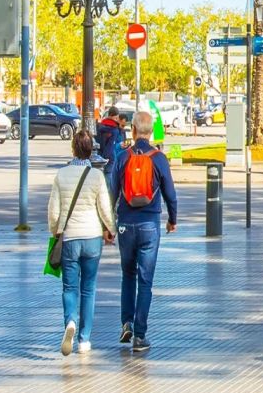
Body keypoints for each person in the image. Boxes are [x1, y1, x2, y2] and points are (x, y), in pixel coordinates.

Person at [112, 112, 178, 352]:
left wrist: (109, 225)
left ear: (132, 129)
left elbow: (112, 193)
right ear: (150, 132)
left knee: (127, 275)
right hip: (149, 225)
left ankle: (126, 323)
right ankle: (140, 336)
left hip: (125, 224)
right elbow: (170, 194)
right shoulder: (159, 158)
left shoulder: (122, 157)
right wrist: (172, 219)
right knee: (145, 280)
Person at [47, 133, 116, 355]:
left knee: (69, 287)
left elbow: (54, 211)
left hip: (69, 238)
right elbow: (105, 207)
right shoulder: (97, 176)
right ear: (90, 150)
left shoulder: (61, 174)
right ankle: (84, 340)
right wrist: (111, 229)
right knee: (89, 288)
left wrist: (55, 231)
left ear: (73, 149)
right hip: (92, 238)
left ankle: (70, 321)